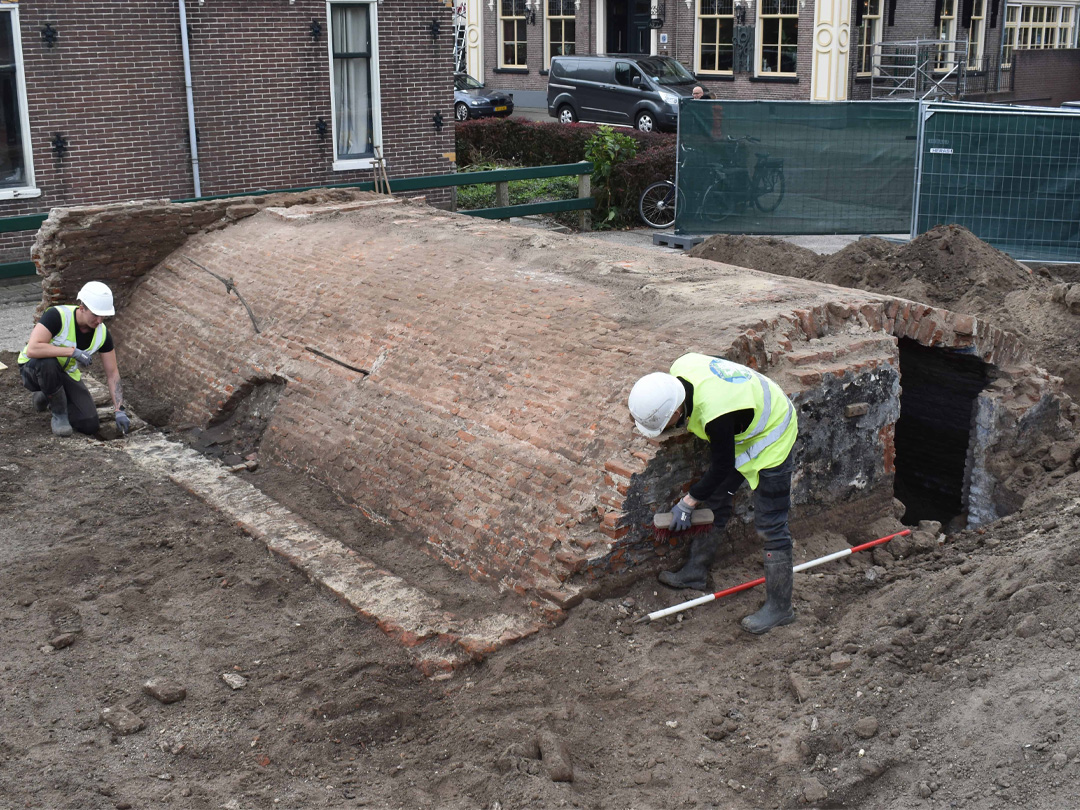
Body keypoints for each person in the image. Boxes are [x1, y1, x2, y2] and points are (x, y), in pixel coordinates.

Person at [628, 352, 798, 634]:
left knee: (771, 524)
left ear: (675, 411)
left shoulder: (716, 416)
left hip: (772, 434)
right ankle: (695, 572)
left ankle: (781, 608)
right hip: (741, 432)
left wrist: (688, 502)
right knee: (717, 498)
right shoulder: (681, 367)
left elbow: (722, 466)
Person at [18, 281, 130, 438]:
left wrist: (119, 409)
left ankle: (45, 394)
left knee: (89, 424)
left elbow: (112, 373)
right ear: (82, 308)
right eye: (95, 314)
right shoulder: (57, 316)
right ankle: (59, 415)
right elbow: (33, 349)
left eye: (103, 315)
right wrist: (72, 352)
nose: (99, 320)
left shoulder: (103, 334)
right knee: (47, 363)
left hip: (64, 374)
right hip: (32, 369)